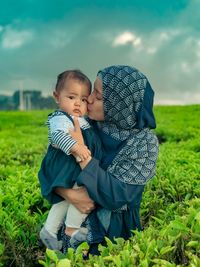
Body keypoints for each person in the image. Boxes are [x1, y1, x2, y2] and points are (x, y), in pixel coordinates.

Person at [55, 65, 159, 255]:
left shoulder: (144, 143)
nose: (90, 98)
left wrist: (81, 154)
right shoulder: (84, 125)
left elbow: (116, 197)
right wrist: (69, 194)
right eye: (93, 90)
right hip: (70, 220)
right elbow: (50, 168)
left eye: (100, 96)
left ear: (121, 105)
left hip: (115, 233)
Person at [38, 70, 102, 250]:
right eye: (71, 97)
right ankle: (71, 230)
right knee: (79, 191)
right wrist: (77, 147)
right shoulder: (60, 118)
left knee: (67, 199)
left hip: (72, 167)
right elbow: (57, 136)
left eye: (83, 99)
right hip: (63, 165)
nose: (77, 103)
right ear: (57, 97)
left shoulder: (83, 120)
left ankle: (51, 231)